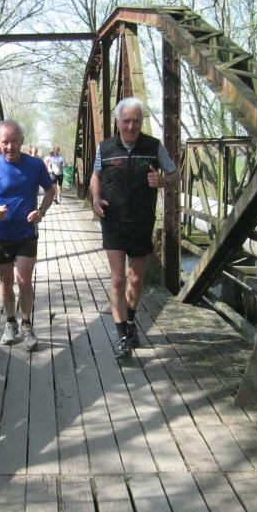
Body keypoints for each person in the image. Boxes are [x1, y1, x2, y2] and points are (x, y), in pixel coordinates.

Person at [89, 97, 176, 359]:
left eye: (136, 121)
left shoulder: (153, 146)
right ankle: (122, 336)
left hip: (141, 221)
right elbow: (95, 176)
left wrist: (163, 181)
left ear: (141, 122)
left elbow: (175, 174)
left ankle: (130, 321)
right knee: (118, 279)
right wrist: (95, 199)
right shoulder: (105, 148)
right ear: (117, 122)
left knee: (136, 279)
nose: (131, 126)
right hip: (113, 221)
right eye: (126, 121)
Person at [0, 119, 57, 350]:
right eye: (5, 142)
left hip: (26, 232)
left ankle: (26, 324)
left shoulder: (35, 165)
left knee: (24, 282)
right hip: (0, 235)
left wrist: (41, 211)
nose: (10, 146)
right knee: (6, 282)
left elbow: (51, 189)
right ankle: (10, 322)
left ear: (22, 141)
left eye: (15, 141)